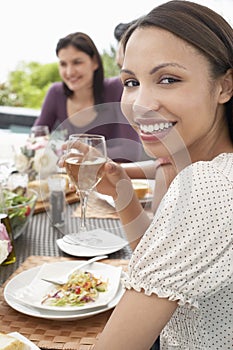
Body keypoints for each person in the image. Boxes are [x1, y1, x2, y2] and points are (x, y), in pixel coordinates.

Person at [89, 1, 232, 349]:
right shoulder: (198, 167)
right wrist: (123, 191)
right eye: (132, 81)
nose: (140, 103)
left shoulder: (208, 185)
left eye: (168, 79)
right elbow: (163, 264)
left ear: (224, 87)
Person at [33, 32, 143, 162]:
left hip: (114, 176)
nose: (69, 72)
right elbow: (37, 137)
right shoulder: (56, 93)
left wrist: (82, 155)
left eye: (77, 62)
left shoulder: (116, 89)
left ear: (95, 62)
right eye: (63, 64)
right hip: (74, 176)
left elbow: (130, 151)